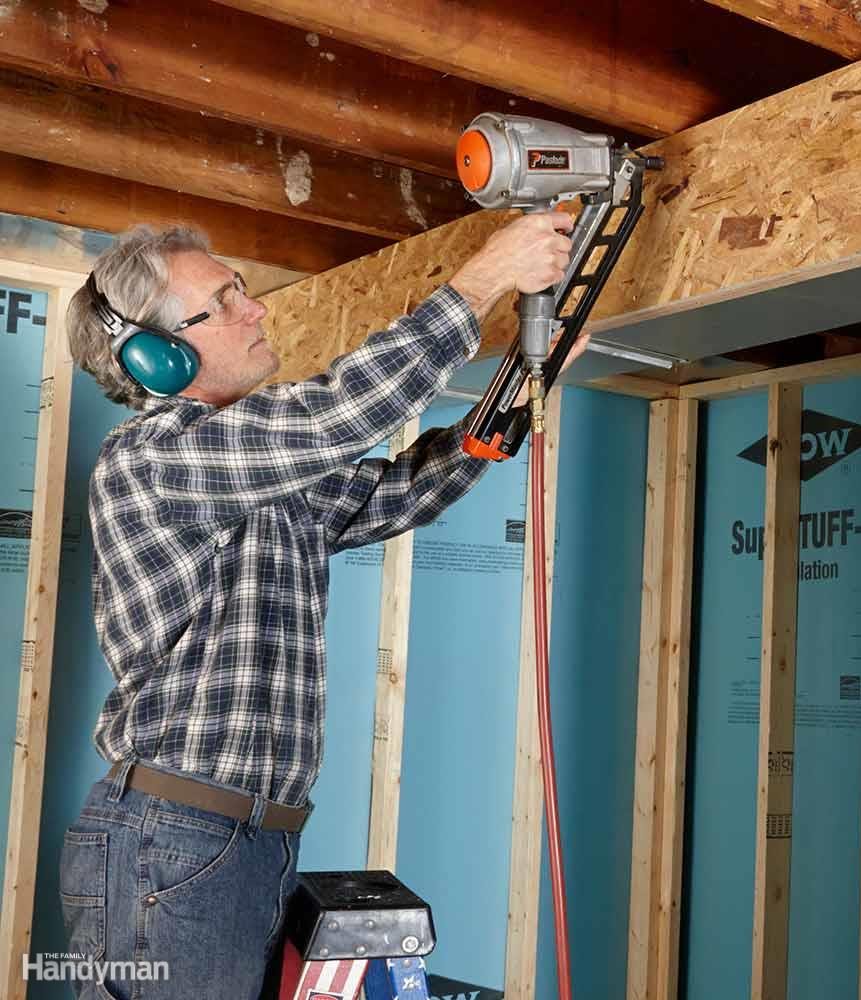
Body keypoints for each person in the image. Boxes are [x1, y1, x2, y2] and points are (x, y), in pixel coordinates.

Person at [57, 211, 580, 998]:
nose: (256, 308)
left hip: (239, 843)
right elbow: (332, 418)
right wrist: (479, 280)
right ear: (156, 357)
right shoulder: (153, 459)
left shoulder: (252, 474)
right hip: (173, 844)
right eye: (226, 298)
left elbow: (394, 491)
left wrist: (511, 392)